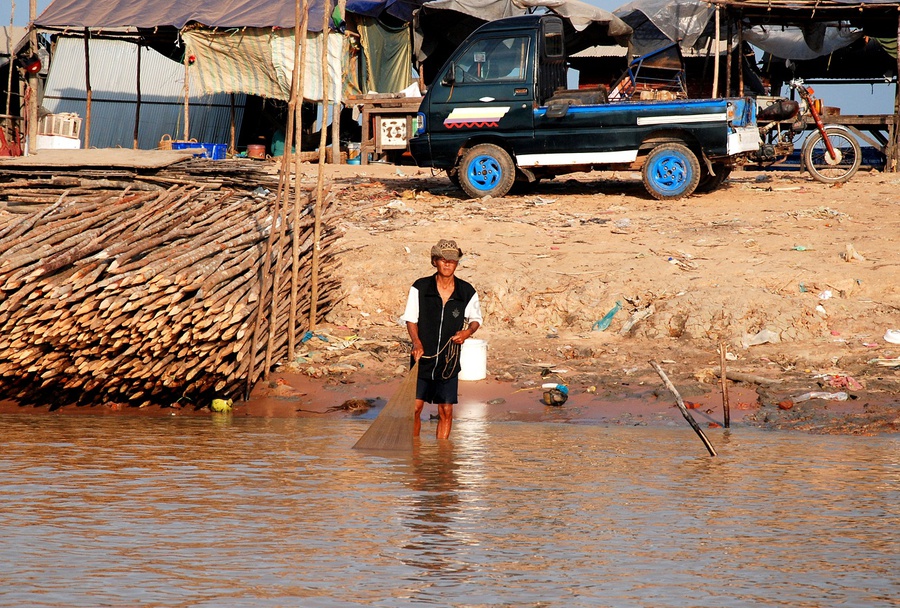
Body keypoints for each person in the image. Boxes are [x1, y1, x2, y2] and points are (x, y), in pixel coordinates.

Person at [400, 239, 482, 439]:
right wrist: (417, 343)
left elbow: (476, 320)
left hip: (449, 361)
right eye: (443, 260)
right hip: (422, 359)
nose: (447, 264)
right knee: (415, 409)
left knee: (446, 411)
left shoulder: (467, 291)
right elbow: (411, 319)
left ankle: (443, 458)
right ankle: (415, 453)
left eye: (452, 261)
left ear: (457, 264)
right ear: (434, 261)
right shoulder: (420, 287)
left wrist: (467, 333)